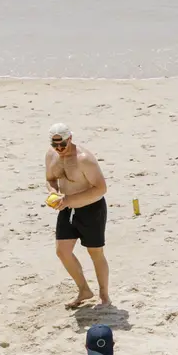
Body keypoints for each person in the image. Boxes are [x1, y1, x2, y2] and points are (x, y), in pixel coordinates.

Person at [45, 123, 110, 309]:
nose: (59, 149)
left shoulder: (84, 159)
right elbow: (50, 179)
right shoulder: (51, 155)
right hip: (66, 207)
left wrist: (69, 199)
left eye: (62, 145)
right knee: (62, 252)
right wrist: (53, 193)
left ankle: (104, 295)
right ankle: (84, 290)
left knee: (95, 252)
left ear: (70, 139)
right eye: (54, 145)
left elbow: (101, 188)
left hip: (91, 209)